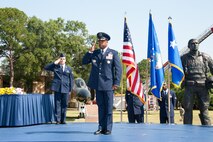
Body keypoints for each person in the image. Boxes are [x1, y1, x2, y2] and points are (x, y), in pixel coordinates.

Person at [82, 32, 122, 135]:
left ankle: (108, 128)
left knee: (108, 107)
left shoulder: (113, 53)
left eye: (102, 41)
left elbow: (118, 69)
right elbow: (84, 61)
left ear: (107, 42)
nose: (100, 43)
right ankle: (100, 127)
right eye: (99, 41)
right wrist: (89, 52)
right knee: (101, 107)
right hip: (98, 85)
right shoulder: (95, 53)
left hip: (109, 84)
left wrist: (116, 83)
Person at [181, 38, 213, 125]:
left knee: (204, 109)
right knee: (187, 108)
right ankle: (187, 129)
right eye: (192, 43)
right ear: (189, 46)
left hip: (203, 86)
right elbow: (177, 71)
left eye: (197, 43)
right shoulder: (183, 58)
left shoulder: (206, 57)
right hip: (189, 86)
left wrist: (211, 79)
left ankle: (207, 129)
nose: (195, 45)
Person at [44, 53, 74, 124]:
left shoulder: (69, 68)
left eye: (63, 59)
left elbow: (71, 79)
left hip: (66, 88)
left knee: (64, 104)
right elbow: (46, 67)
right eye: (61, 59)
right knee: (57, 104)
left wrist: (70, 89)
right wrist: (55, 62)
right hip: (57, 88)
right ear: (59, 60)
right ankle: (58, 120)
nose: (62, 60)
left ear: (65, 60)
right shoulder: (55, 67)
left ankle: (63, 120)